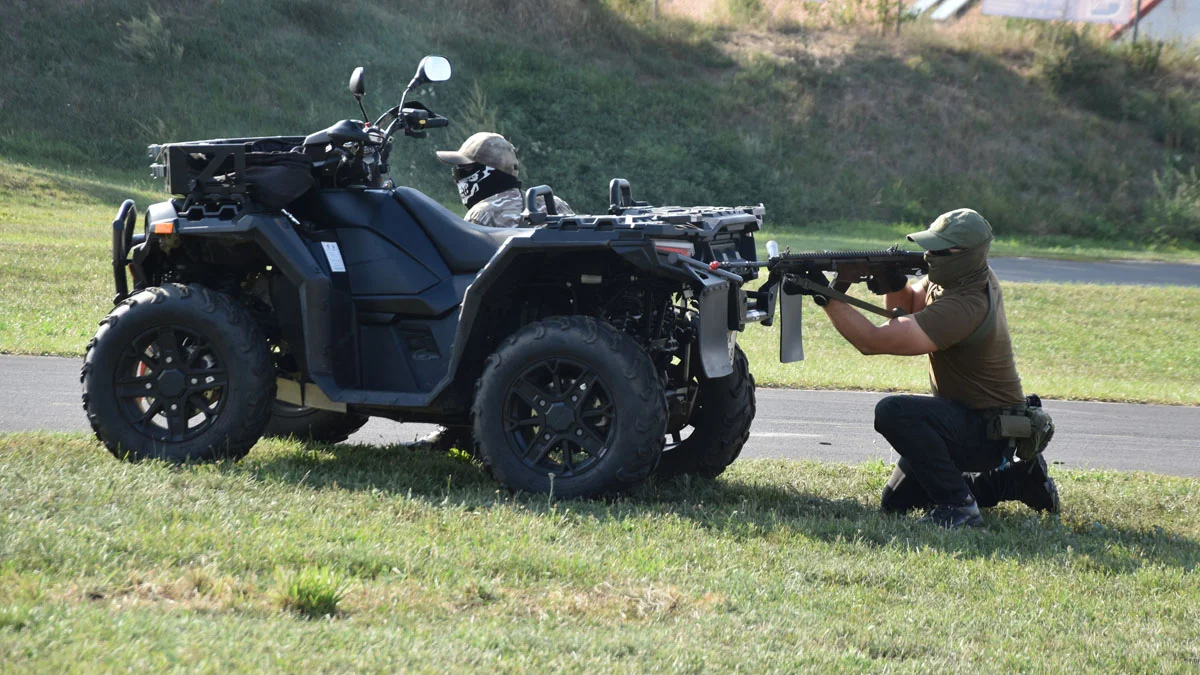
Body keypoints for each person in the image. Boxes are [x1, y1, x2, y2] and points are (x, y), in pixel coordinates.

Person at [795, 208, 1058, 528]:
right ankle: (1017, 480)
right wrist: (893, 282)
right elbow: (907, 308)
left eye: (938, 250)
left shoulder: (966, 304)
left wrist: (826, 296)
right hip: (968, 417)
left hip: (987, 430)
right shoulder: (957, 277)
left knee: (894, 412)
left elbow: (873, 341)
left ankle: (959, 508)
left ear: (964, 255)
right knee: (896, 502)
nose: (928, 256)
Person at [436, 132, 572, 228]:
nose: (456, 178)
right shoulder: (554, 204)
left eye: (461, 171)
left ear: (488, 171)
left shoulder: (481, 215)